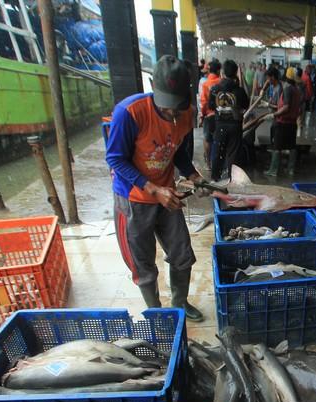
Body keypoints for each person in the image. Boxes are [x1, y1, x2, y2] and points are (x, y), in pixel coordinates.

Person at [105, 55, 209, 322]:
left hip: (166, 194)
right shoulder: (129, 113)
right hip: (135, 198)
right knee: (143, 263)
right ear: (152, 85)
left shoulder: (186, 113)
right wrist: (153, 189)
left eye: (177, 106)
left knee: (182, 253)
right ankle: (156, 314)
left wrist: (194, 176)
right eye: (167, 107)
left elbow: (177, 152)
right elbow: (115, 159)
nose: (172, 114)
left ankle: (180, 303)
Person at [208, 59, 249, 181]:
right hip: (235, 125)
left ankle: (215, 179)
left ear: (223, 72)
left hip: (220, 125)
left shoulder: (215, 89)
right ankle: (232, 179)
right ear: (236, 73)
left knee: (217, 151)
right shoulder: (239, 91)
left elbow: (211, 106)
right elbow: (245, 105)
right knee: (233, 154)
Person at [264, 66, 301, 177]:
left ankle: (273, 170)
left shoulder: (287, 89)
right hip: (292, 123)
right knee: (292, 146)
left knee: (277, 146)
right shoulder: (296, 90)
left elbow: (286, 107)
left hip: (282, 122)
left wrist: (273, 114)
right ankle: (291, 169)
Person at [199, 58, 221, 168]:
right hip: (220, 116)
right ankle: (218, 162)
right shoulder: (221, 82)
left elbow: (203, 102)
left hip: (208, 115)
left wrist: (202, 115)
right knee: (218, 139)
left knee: (207, 139)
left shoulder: (205, 84)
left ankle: (208, 163)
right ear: (218, 71)